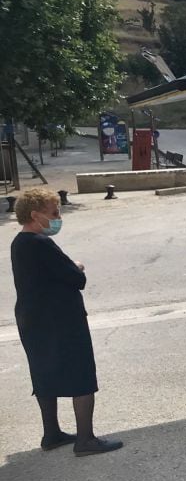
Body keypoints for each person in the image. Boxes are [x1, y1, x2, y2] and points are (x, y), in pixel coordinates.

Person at [11, 188, 123, 456]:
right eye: (54, 212)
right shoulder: (40, 243)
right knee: (81, 374)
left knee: (43, 372)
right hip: (60, 320)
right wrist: (78, 266)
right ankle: (86, 440)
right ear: (35, 215)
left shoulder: (19, 242)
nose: (58, 216)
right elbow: (76, 278)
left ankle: (51, 433)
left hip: (32, 318)